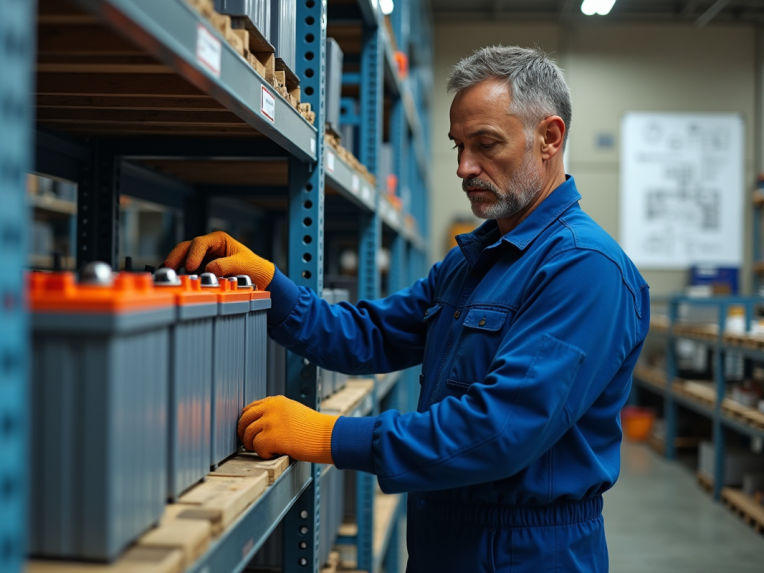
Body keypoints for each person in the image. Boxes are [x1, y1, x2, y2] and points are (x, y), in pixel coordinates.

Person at [163, 46, 649, 572]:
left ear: (549, 138)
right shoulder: (476, 261)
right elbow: (371, 333)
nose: (464, 167)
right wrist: (270, 285)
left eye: (486, 144)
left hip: (526, 553)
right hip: (446, 537)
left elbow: (499, 430)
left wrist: (327, 436)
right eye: (459, 146)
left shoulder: (586, 269)